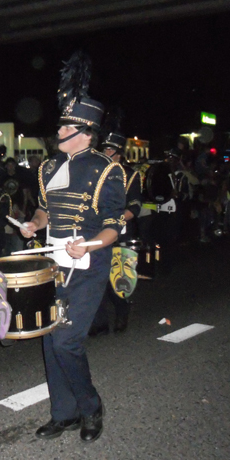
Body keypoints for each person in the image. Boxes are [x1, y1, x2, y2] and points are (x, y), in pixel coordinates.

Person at [20, 95, 126, 443]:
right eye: (62, 124)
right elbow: (43, 210)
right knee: (51, 339)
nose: (60, 130)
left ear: (85, 131)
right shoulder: (48, 168)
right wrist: (33, 225)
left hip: (88, 265)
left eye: (67, 126)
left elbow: (114, 225)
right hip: (54, 263)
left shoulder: (108, 169)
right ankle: (63, 414)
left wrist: (90, 244)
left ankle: (91, 407)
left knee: (67, 340)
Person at [90, 129, 142, 335]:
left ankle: (122, 312)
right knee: (97, 278)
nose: (106, 152)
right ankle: (99, 322)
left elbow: (135, 207)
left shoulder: (130, 175)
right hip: (97, 232)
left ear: (119, 153)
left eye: (110, 150)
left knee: (117, 278)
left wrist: (113, 222)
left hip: (120, 233)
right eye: (104, 149)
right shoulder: (96, 173)